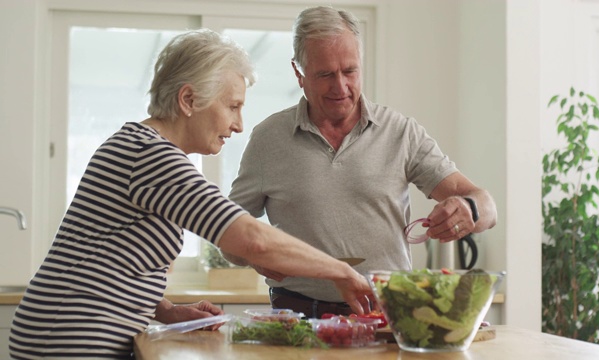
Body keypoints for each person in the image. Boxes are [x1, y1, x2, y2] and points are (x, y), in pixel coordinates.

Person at [9, 28, 372, 359]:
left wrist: (165, 309)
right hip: (65, 338)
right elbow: (251, 238)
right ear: (188, 100)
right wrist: (341, 272)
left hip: (62, 330)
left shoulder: (140, 148)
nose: (239, 124)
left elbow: (111, 260)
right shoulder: (150, 154)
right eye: (232, 106)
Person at [228, 6, 497, 318]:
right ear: (298, 74)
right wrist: (253, 256)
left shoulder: (401, 132)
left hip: (389, 316)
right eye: (325, 74)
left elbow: (488, 207)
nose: (340, 87)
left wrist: (469, 209)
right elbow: (228, 233)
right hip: (299, 319)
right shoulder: (268, 140)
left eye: (350, 71)